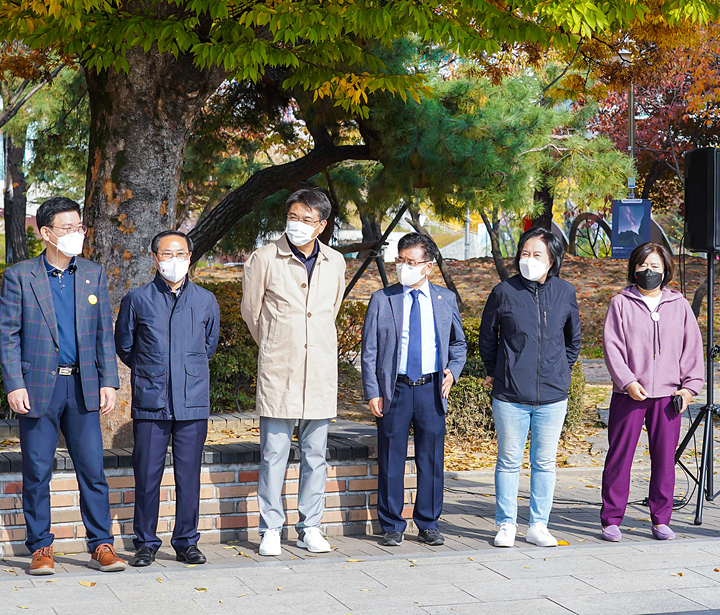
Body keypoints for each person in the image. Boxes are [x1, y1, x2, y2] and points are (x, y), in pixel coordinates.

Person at [0, 196, 125, 575]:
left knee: (93, 470)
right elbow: (9, 336)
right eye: (67, 229)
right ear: (46, 233)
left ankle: (101, 544)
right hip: (37, 387)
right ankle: (40, 547)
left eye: (79, 228)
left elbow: (104, 332)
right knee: (37, 471)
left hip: (83, 386)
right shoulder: (20, 276)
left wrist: (110, 381)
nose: (76, 235)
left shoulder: (92, 273)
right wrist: (14, 383)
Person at [241, 188, 346, 557]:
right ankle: (270, 528)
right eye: (294, 217)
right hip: (279, 370)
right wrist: (276, 343)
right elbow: (252, 313)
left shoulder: (335, 261)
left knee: (316, 454)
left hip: (319, 372)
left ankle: (310, 526)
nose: (298, 225)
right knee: (274, 454)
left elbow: (330, 310)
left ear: (322, 225)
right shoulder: (265, 258)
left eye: (307, 219)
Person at [115, 231, 220, 567]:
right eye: (166, 253)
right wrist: (152, 370)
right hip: (151, 400)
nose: (174, 260)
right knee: (147, 475)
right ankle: (145, 542)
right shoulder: (138, 299)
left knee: (188, 475)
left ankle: (186, 541)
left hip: (192, 401)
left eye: (181, 253)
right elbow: (126, 346)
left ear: (190, 257)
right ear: (155, 258)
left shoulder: (205, 300)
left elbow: (209, 346)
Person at [360, 233, 467, 547]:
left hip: (432, 389)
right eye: (400, 260)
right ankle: (392, 524)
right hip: (396, 389)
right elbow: (370, 351)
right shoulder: (384, 299)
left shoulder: (445, 299)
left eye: (411, 261)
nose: (403, 266)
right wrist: (372, 391)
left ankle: (429, 522)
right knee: (391, 458)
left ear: (428, 267)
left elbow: (458, 343)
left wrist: (454, 372)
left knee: (431, 459)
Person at [479, 227, 581, 549]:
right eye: (525, 253)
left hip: (552, 396)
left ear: (552, 260)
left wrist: (559, 369)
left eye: (537, 254)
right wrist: (498, 371)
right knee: (508, 461)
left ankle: (538, 524)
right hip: (510, 396)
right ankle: (506, 523)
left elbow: (574, 340)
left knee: (544, 462)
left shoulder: (565, 292)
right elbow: (487, 338)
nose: (529, 259)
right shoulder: (503, 292)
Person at [599, 243, 704, 542]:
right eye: (644, 266)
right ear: (633, 268)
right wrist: (628, 382)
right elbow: (612, 348)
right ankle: (611, 519)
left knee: (664, 459)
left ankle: (661, 519)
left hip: (669, 398)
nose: (649, 271)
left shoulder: (680, 305)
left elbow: (692, 349)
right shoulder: (620, 303)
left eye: (656, 267)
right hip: (629, 394)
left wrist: (689, 389)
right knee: (620, 457)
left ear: (666, 270)